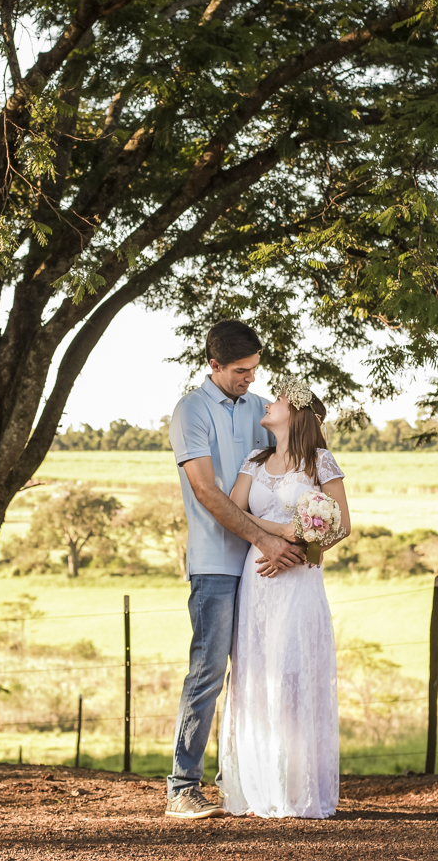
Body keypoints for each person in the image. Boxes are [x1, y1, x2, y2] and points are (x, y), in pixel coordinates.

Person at [164, 320, 306, 820]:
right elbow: (206, 491)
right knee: (208, 673)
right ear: (214, 365)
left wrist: (307, 529)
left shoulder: (257, 408)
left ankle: (245, 781)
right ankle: (182, 787)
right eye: (241, 371)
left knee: (258, 673)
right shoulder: (190, 411)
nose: (250, 379)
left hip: (262, 565)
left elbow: (287, 464)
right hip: (216, 564)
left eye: (255, 369)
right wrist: (267, 538)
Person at [217, 377, 350, 818]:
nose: (267, 403)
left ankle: (297, 787)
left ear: (294, 413)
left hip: (299, 581)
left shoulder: (319, 462)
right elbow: (235, 513)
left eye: (276, 399)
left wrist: (297, 552)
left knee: (294, 671)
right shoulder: (254, 462)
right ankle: (259, 786)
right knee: (257, 671)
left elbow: (340, 525)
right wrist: (278, 536)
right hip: (257, 578)